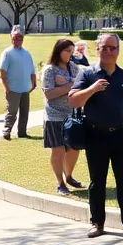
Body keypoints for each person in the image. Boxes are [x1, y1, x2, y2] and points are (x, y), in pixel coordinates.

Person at [68, 33, 123, 238]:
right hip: (96, 135)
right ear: (97, 50)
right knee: (98, 181)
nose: (109, 51)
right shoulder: (88, 74)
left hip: (121, 135)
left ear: (118, 51)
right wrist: (93, 89)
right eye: (104, 47)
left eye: (113, 48)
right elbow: (73, 101)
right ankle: (97, 223)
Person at [42, 38, 84, 195]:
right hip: (54, 116)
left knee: (74, 147)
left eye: (72, 51)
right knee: (58, 149)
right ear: (59, 51)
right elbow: (49, 94)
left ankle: (69, 176)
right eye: (67, 51)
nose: (70, 55)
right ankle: (60, 183)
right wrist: (69, 86)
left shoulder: (73, 67)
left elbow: (81, 84)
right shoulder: (50, 70)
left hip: (72, 114)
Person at [0, 30, 36, 140]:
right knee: (12, 111)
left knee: (24, 112)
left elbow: (32, 70)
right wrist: (6, 87)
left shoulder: (26, 53)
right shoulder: (7, 53)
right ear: (11, 38)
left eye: (19, 38)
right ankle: (7, 131)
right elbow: (2, 71)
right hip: (13, 88)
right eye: (15, 38)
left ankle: (22, 132)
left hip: (25, 88)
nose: (17, 41)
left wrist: (33, 83)